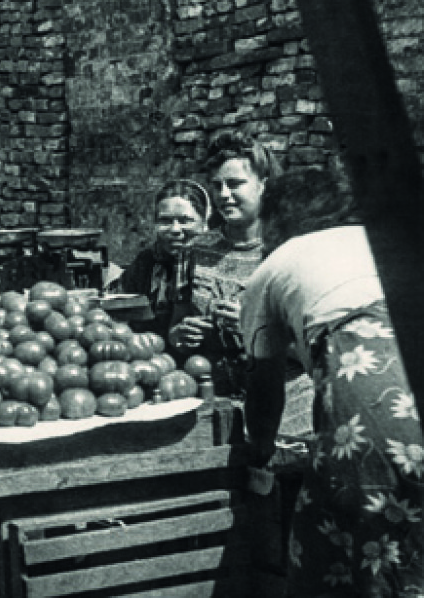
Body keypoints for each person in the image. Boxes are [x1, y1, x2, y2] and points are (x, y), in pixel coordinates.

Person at [241, 167, 423, 595]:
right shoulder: (385, 239)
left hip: (379, 397)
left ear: (273, 220)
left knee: (332, 540)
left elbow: (264, 386)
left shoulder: (270, 271)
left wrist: (260, 456)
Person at [169, 131, 282, 396]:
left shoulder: (285, 252)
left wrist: (252, 328)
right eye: (217, 185)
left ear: (263, 184)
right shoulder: (193, 250)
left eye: (234, 184)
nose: (224, 194)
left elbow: (310, 346)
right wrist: (182, 335)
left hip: (280, 401)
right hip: (210, 395)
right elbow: (175, 325)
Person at [120, 179, 211, 340]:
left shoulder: (214, 264)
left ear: (204, 223)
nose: (175, 229)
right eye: (165, 221)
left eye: (185, 220)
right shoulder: (145, 263)